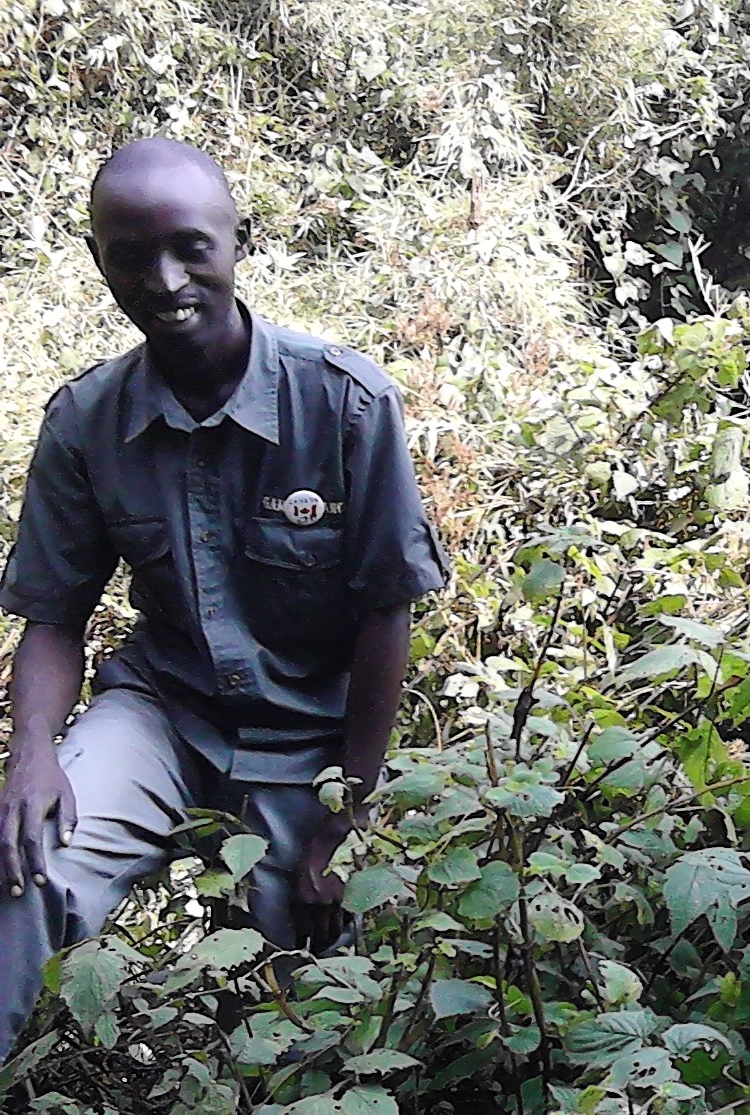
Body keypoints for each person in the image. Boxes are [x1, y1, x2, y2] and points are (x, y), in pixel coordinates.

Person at [0, 138, 449, 1064]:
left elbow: (385, 618)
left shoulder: (346, 404)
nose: (163, 280)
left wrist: (349, 812)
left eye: (190, 247)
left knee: (312, 997)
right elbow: (53, 617)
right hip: (163, 712)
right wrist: (32, 755)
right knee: (25, 860)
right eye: (130, 256)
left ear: (237, 241)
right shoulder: (85, 422)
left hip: (311, 737)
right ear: (99, 262)